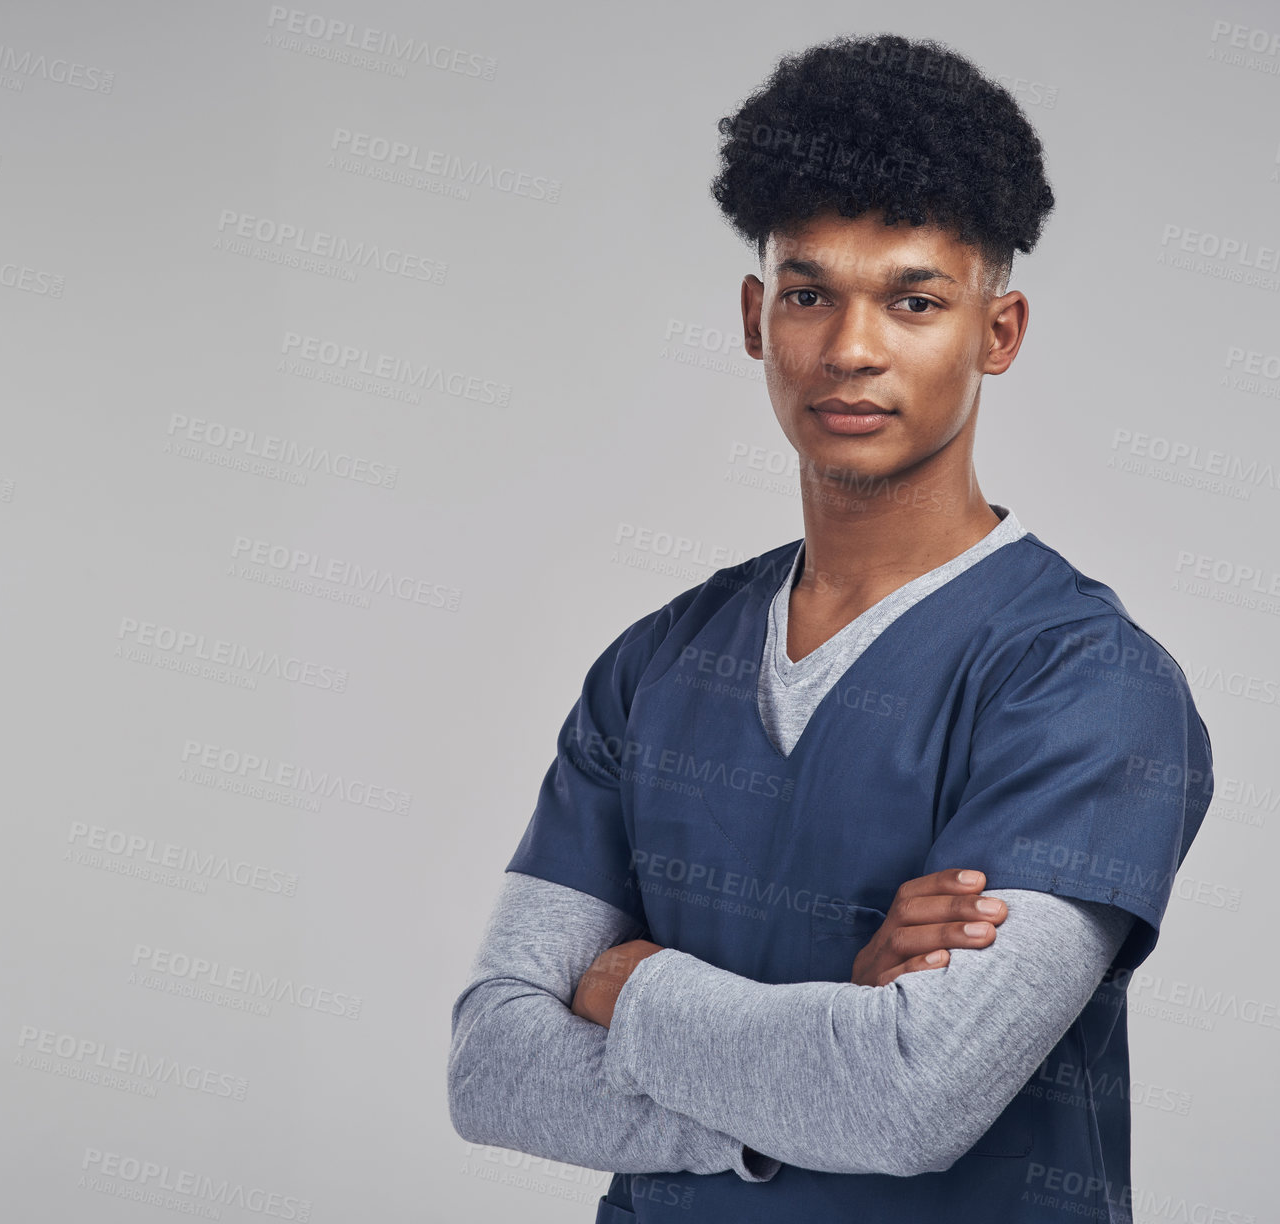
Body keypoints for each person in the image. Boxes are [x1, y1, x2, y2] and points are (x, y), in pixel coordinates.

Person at [447, 31, 1214, 1224]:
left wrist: (625, 982)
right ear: (759, 317)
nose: (852, 351)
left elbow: (909, 1097)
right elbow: (492, 1068)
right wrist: (825, 1039)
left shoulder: (1086, 687)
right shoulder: (654, 665)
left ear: (996, 334)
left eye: (915, 300)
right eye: (812, 295)